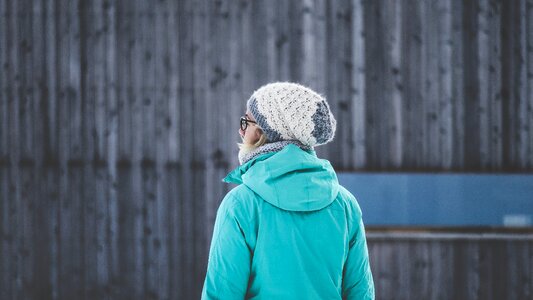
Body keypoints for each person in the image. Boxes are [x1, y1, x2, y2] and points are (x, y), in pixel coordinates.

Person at [201, 82, 375, 299]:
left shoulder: (240, 204)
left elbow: (222, 293)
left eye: (246, 121)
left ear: (262, 133)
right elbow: (361, 293)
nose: (240, 129)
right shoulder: (345, 204)